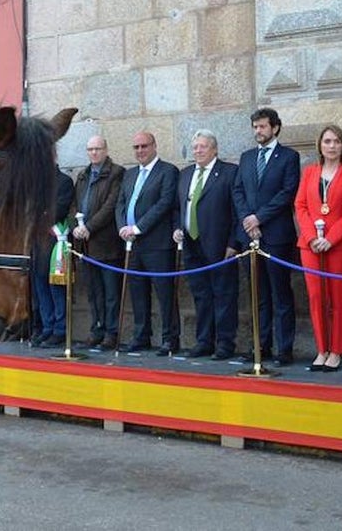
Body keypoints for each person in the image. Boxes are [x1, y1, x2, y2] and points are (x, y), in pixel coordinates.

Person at [233, 108, 301, 367]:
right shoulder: (247, 157)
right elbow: (238, 190)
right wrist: (248, 220)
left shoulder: (289, 157)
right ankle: (260, 346)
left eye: (262, 127)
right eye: (255, 127)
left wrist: (259, 217)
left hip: (276, 234)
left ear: (275, 127)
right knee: (257, 294)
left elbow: (287, 193)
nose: (258, 132)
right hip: (249, 235)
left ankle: (285, 348)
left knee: (280, 293)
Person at [295, 125, 342, 373]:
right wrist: (311, 237)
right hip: (310, 246)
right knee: (316, 298)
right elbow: (300, 206)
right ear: (320, 146)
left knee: (338, 298)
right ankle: (321, 349)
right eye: (327, 141)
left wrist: (330, 238)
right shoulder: (309, 172)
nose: (331, 146)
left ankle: (336, 351)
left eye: (336, 141)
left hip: (339, 245)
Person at [173, 129, 240, 360]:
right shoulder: (185, 174)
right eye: (195, 147)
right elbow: (178, 207)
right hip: (192, 244)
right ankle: (204, 341)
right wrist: (177, 228)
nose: (198, 151)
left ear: (214, 149)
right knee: (201, 296)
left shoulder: (229, 172)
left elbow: (236, 210)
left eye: (202, 146)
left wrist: (234, 242)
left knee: (224, 295)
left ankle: (224, 343)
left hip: (220, 245)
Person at [114, 131, 179, 355]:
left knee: (164, 293)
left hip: (157, 243)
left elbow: (164, 204)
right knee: (137, 292)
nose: (140, 151)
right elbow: (120, 203)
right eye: (136, 147)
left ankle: (170, 338)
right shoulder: (130, 174)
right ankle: (141, 336)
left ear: (154, 146)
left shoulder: (167, 171)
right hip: (132, 244)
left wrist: (138, 228)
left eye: (144, 146)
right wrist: (123, 227)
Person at [70, 136, 125, 350]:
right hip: (85, 245)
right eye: (90, 149)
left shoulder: (116, 173)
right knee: (94, 292)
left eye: (97, 149)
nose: (94, 153)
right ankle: (96, 329)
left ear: (105, 149)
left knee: (111, 293)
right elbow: (74, 204)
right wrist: (76, 224)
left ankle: (111, 333)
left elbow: (111, 206)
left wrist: (89, 227)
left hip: (107, 243)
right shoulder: (83, 175)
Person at [30, 166, 75, 348]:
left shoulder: (63, 181)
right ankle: (47, 327)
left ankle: (59, 329)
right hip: (37, 243)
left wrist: (39, 218)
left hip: (54, 243)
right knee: (40, 288)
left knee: (56, 288)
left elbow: (59, 209)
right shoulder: (35, 184)